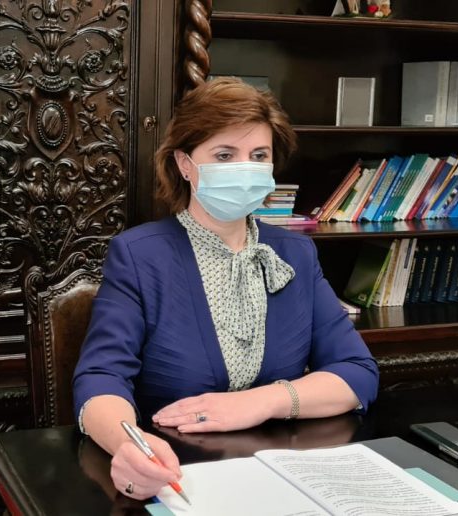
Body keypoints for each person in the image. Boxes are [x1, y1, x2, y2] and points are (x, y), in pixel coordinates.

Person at [71, 77, 379, 500]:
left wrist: (263, 401)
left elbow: (357, 372)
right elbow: (101, 378)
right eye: (224, 155)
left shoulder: (295, 253)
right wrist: (129, 446)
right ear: (184, 164)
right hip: (179, 475)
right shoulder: (139, 255)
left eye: (259, 156)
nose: (244, 168)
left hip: (283, 476)